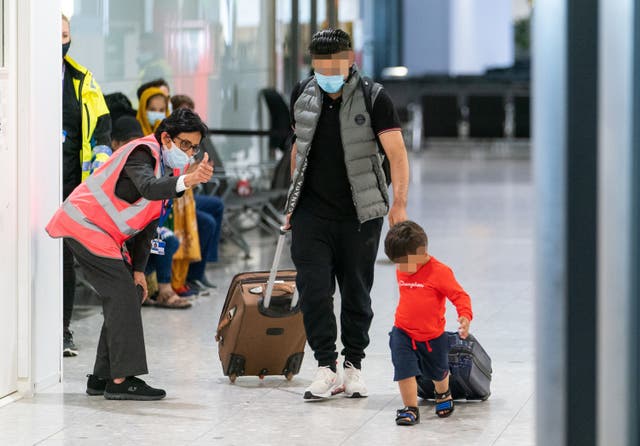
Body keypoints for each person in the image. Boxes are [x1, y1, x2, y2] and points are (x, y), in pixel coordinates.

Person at [46, 109, 213, 400]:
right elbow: (148, 189)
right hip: (84, 225)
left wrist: (138, 271)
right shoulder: (142, 153)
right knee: (122, 295)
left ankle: (102, 377)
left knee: (131, 292)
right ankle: (122, 380)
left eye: (194, 147)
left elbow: (147, 225)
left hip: (105, 235)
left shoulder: (169, 169)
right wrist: (188, 180)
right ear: (166, 138)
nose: (189, 152)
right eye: (185, 144)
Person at [284, 28, 410, 400]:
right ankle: (326, 367)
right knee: (314, 291)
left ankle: (353, 365)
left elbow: (397, 155)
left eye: (334, 63)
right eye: (320, 64)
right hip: (311, 213)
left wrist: (398, 204)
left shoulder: (375, 98)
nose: (327, 71)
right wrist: (292, 202)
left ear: (350, 60)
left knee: (357, 293)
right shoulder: (302, 94)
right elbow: (298, 149)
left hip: (361, 213)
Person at [384, 220, 473, 425]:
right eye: (398, 263)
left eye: (405, 263)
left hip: (432, 335)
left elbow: (460, 296)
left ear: (422, 252)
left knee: (438, 371)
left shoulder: (440, 272)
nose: (401, 268)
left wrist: (465, 315)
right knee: (403, 368)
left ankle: (443, 393)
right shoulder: (403, 268)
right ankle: (410, 408)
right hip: (403, 331)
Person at [61, 13, 112, 357]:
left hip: (70, 187)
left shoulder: (83, 81)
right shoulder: (22, 75)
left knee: (63, 260)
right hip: (27, 186)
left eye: (65, 35)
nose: (61, 42)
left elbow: (102, 134)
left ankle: (60, 330)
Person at [112, 115, 191, 309]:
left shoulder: (156, 162)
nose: (133, 148)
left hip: (142, 230)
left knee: (166, 240)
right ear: (115, 144)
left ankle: (155, 287)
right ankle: (162, 290)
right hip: (121, 233)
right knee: (162, 242)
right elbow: (149, 190)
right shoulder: (129, 161)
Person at [169, 93, 224, 291]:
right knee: (207, 222)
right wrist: (194, 172)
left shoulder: (191, 138)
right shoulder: (172, 139)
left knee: (216, 205)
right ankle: (194, 275)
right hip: (175, 198)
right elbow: (175, 177)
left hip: (187, 195)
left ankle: (205, 263)